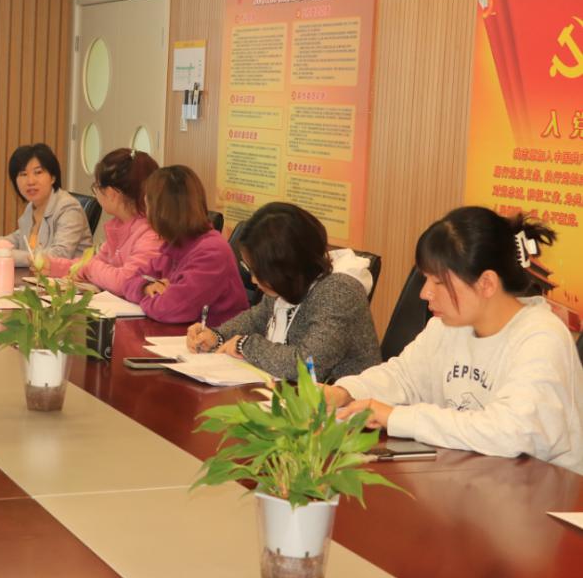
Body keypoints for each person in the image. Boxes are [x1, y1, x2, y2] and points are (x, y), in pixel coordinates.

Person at [325, 206, 583, 474]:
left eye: (438, 282)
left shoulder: (542, 337)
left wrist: (396, 417)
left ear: (486, 283)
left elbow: (512, 432)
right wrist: (346, 393)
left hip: (542, 489)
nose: (425, 293)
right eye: (425, 279)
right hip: (473, 478)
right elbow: (403, 377)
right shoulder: (448, 325)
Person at [184, 202, 380, 381]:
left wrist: (246, 345)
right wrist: (217, 336)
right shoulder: (292, 281)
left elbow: (308, 365)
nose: (253, 280)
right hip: (289, 393)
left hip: (339, 403)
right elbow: (256, 319)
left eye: (258, 272)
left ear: (285, 266)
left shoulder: (340, 292)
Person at [122, 166, 246, 324]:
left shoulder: (212, 252)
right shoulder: (176, 243)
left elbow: (169, 309)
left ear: (163, 211)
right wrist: (146, 288)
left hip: (214, 337)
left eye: (148, 206)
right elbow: (129, 282)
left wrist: (151, 297)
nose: (147, 214)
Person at [46, 148, 162, 296]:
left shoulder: (151, 234)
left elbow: (125, 282)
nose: (96, 193)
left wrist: (90, 268)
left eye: (97, 187)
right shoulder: (119, 226)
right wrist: (52, 266)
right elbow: (93, 263)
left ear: (111, 194)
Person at [0, 143, 92, 268]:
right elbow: (18, 239)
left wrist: (5, 255)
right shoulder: (32, 206)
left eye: (38, 172)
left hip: (70, 279)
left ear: (53, 177)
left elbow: (59, 255)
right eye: (23, 174)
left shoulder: (68, 208)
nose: (30, 181)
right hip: (38, 277)